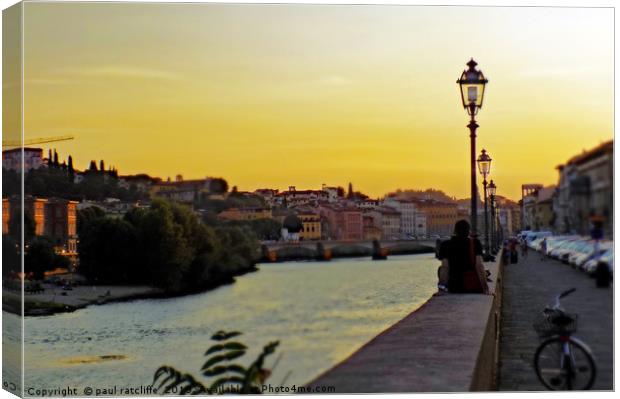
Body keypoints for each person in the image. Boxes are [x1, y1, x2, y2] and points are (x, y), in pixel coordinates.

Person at [437, 220, 489, 294]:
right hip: (471, 286)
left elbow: (445, 268)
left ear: (455, 231)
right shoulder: (475, 243)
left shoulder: (445, 245)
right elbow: (479, 266)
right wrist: (486, 289)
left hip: (454, 287)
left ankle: (443, 289)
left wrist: (441, 290)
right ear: (468, 231)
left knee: (440, 268)